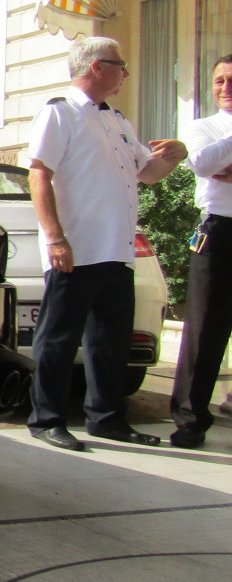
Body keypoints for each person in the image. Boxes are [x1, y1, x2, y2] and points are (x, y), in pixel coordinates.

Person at [27, 36, 188, 451]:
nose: (126, 74)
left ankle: (107, 419)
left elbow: (148, 173)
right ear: (97, 67)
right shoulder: (60, 112)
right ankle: (47, 419)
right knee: (59, 338)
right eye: (120, 65)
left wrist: (178, 153)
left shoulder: (116, 119)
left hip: (116, 249)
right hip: (77, 247)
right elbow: (39, 174)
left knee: (110, 341)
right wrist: (55, 238)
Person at [170, 54, 232, 448]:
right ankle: (191, 419)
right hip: (219, 229)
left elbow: (216, 166)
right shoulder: (202, 126)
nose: (225, 87)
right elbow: (203, 162)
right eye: (219, 81)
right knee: (206, 327)